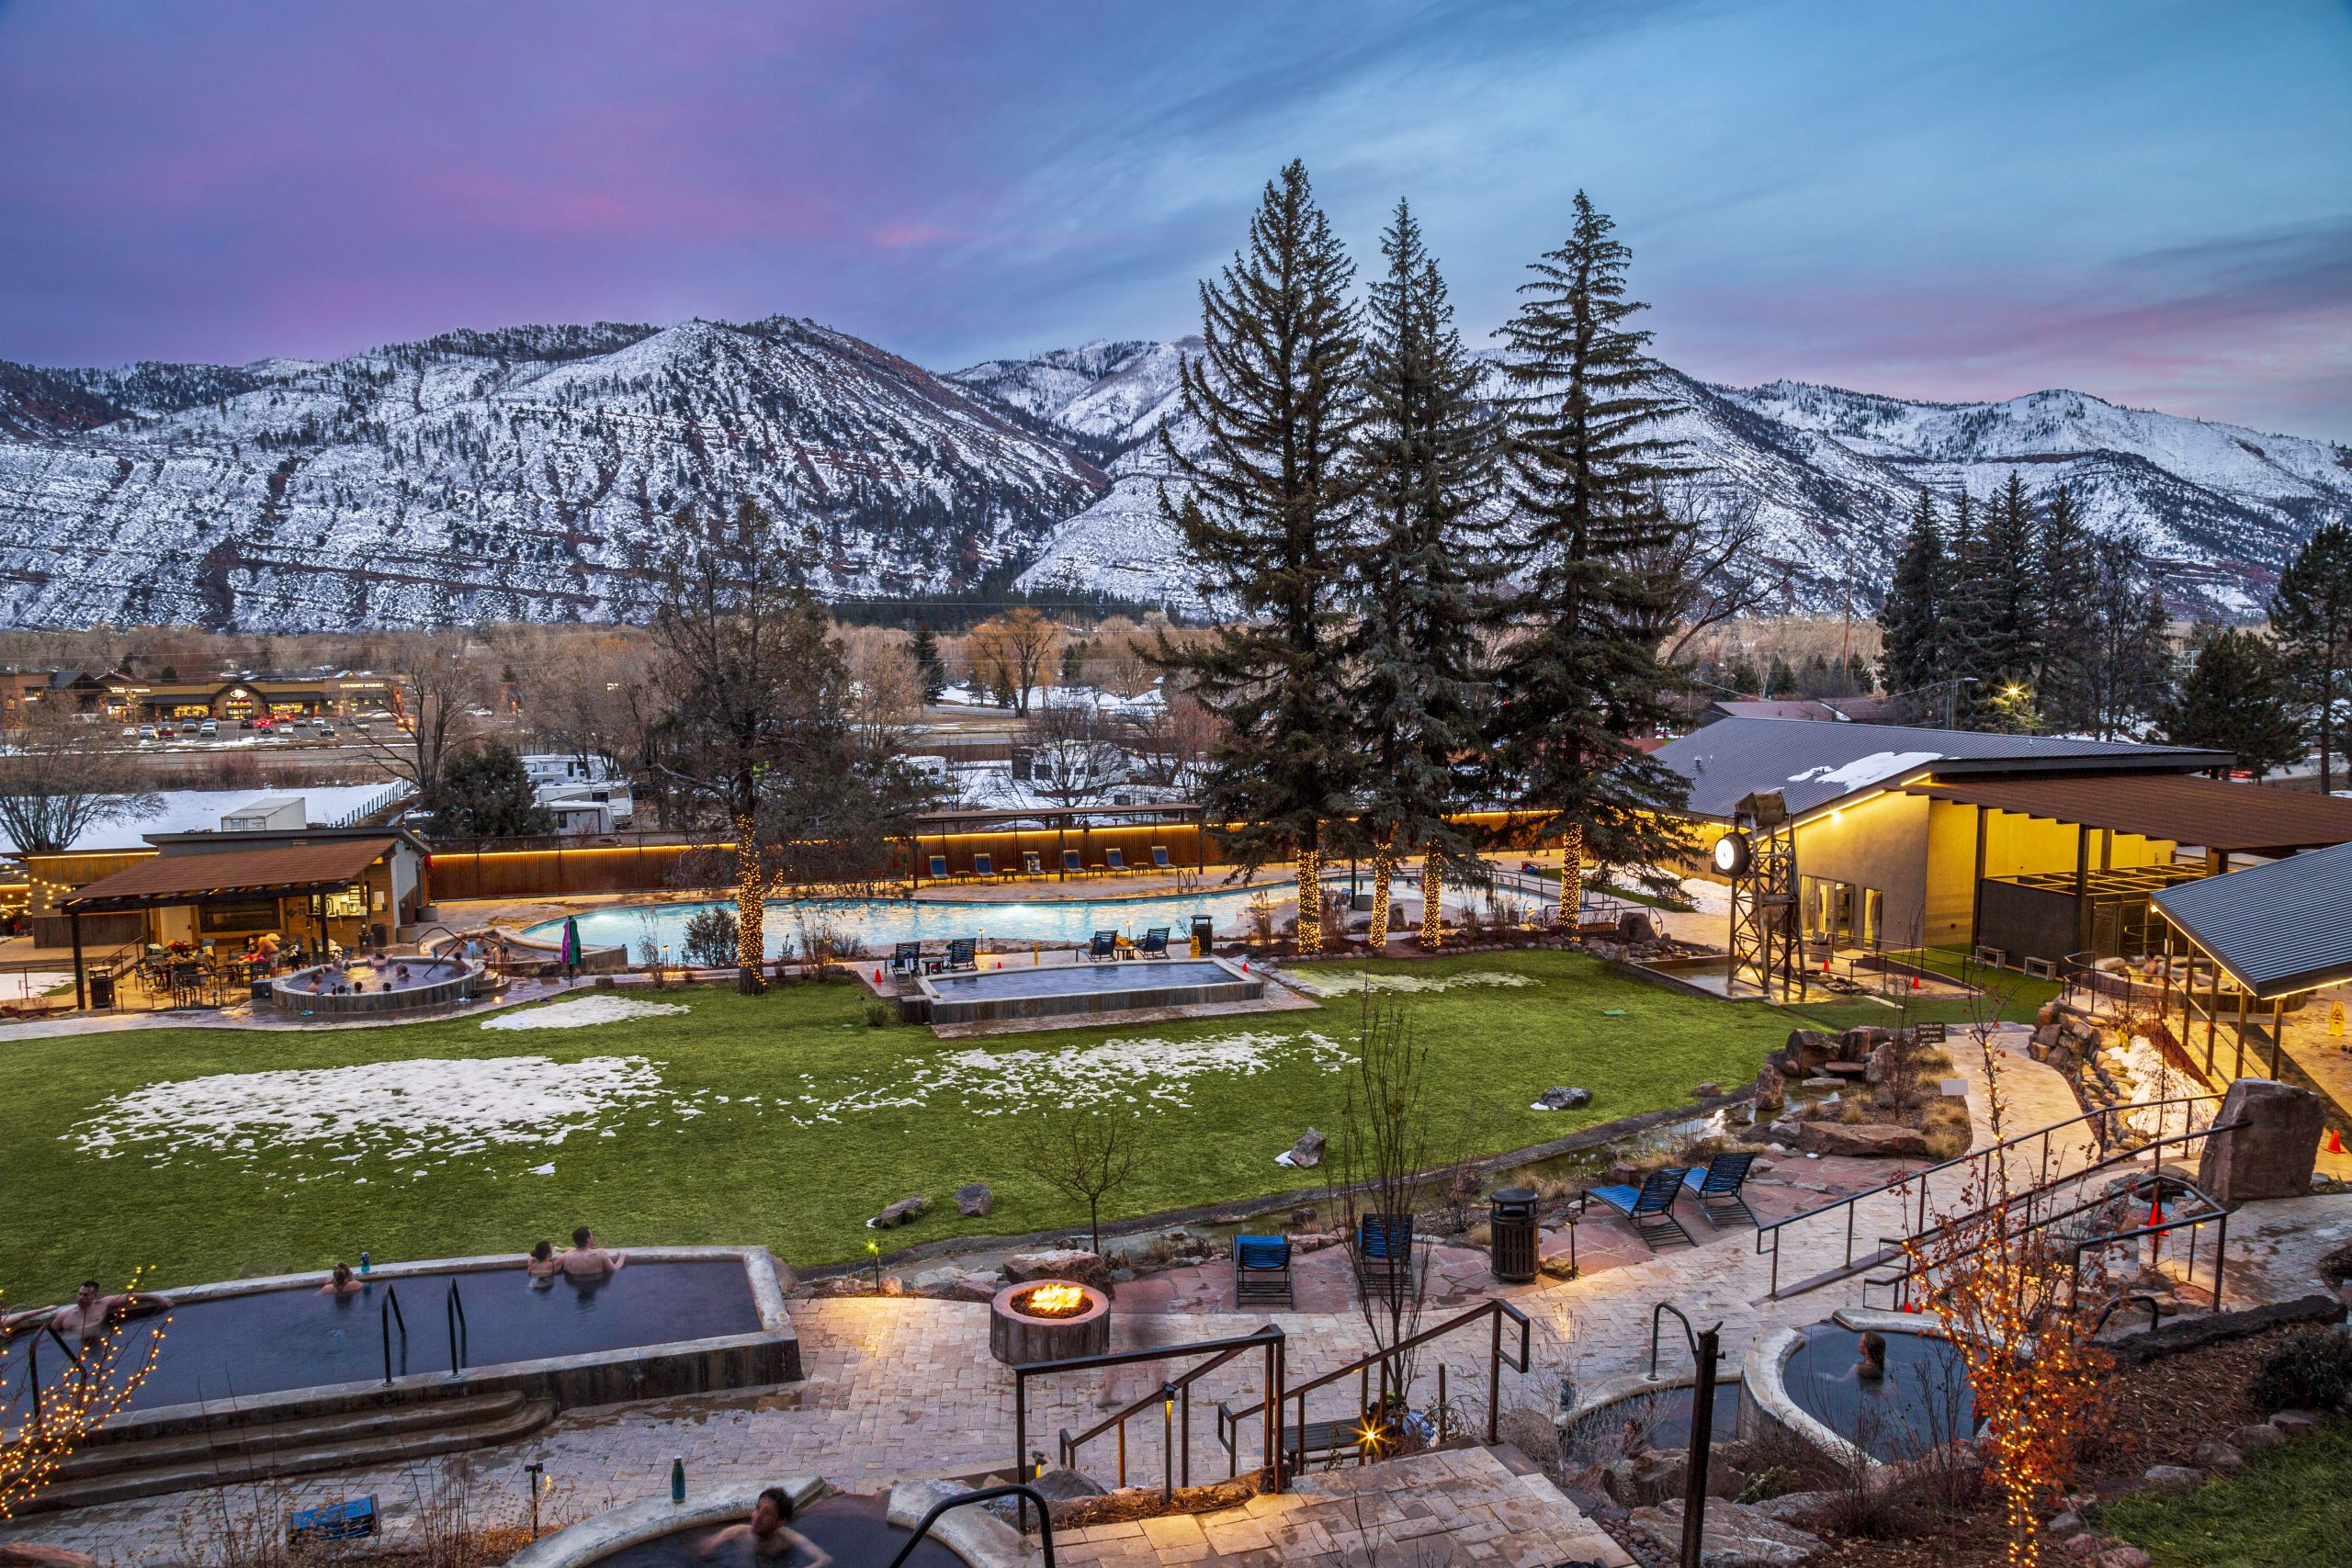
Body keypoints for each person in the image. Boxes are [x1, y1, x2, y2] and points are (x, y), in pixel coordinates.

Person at [6, 1280, 174, 1352]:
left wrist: (158, 1298)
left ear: (94, 1296)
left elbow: (132, 1296)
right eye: (79, 1294)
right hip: (75, 1345)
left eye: (85, 1295)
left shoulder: (103, 1304)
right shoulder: (65, 1317)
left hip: (101, 1338)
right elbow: (50, 1336)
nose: (80, 1297)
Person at [696, 1487, 831, 1564]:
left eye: (767, 1513)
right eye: (758, 1508)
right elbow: (704, 1549)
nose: (757, 1517)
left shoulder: (789, 1538)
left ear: (780, 1521)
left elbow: (824, 1559)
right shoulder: (737, 1533)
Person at [561, 1227, 626, 1276]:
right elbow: (614, 1269)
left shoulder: (567, 1258)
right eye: (592, 1235)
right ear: (588, 1239)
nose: (593, 1237)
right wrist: (622, 1256)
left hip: (578, 1283)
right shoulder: (601, 1253)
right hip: (597, 1283)